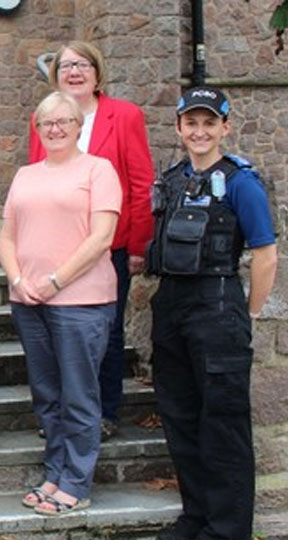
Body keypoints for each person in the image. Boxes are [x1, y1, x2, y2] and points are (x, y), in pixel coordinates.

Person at [148, 87, 277, 540]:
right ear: (179, 127)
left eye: (209, 123)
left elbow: (265, 254)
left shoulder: (241, 182)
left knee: (222, 425)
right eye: (191, 123)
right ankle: (196, 517)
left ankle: (227, 529)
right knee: (180, 418)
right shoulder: (173, 179)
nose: (199, 132)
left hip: (217, 304)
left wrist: (251, 314)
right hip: (171, 305)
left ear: (225, 127)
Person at [0, 91, 120, 516]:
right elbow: (7, 236)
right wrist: (16, 279)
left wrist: (54, 281)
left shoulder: (98, 170)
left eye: (64, 121)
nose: (55, 129)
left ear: (77, 125)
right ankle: (55, 471)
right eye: (47, 122)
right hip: (28, 301)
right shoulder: (26, 175)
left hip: (81, 302)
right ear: (38, 128)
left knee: (79, 396)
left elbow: (101, 238)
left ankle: (76, 482)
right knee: (47, 395)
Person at [28, 41, 154, 441]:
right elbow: (37, 179)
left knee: (107, 333)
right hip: (54, 248)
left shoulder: (125, 116)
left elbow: (140, 182)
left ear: (98, 72)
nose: (74, 72)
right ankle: (62, 413)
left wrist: (137, 245)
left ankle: (104, 411)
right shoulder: (44, 118)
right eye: (66, 66)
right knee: (56, 335)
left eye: (82, 65)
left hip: (108, 247)